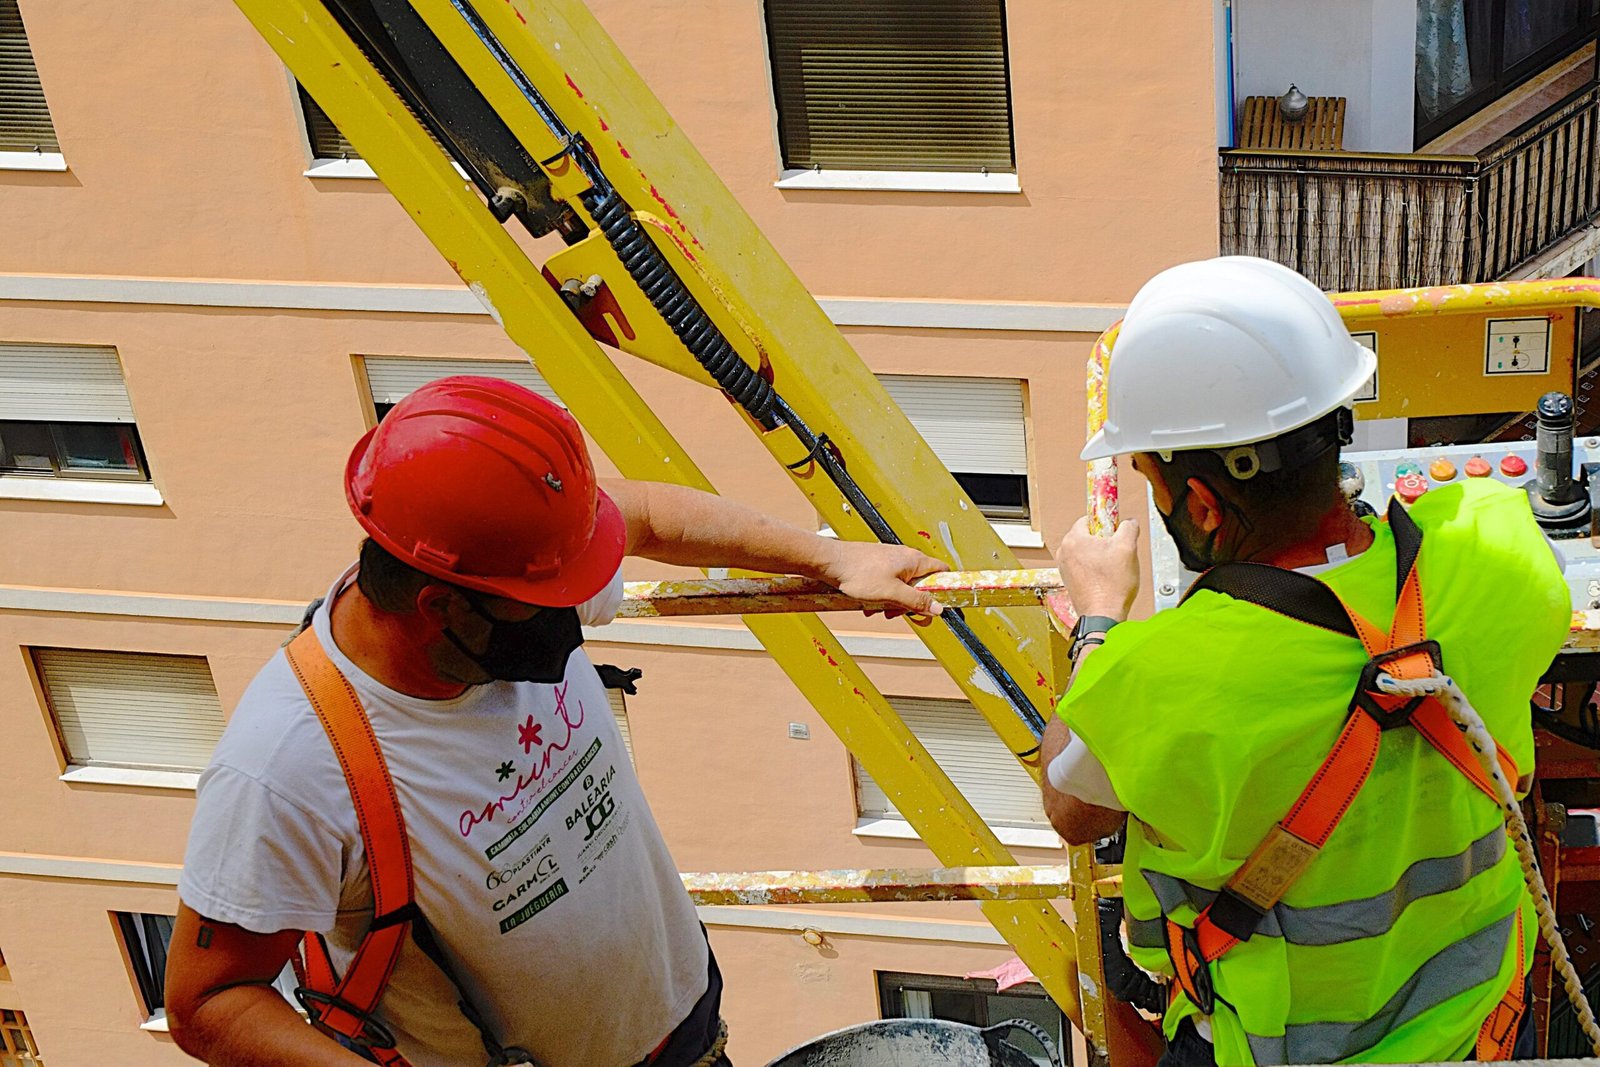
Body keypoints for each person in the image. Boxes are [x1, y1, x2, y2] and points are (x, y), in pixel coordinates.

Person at [166, 376, 946, 1067]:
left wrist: (830, 558)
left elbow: (640, 512)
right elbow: (212, 1001)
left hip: (684, 1029)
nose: (573, 611)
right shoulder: (290, 767)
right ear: (441, 604)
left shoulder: (509, 569)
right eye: (546, 604)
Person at [1040, 257, 1570, 1066]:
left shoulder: (1163, 676)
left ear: (1205, 506)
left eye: (1151, 476)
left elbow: (1072, 809)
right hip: (1482, 1030)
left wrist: (1098, 625)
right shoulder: (1500, 549)